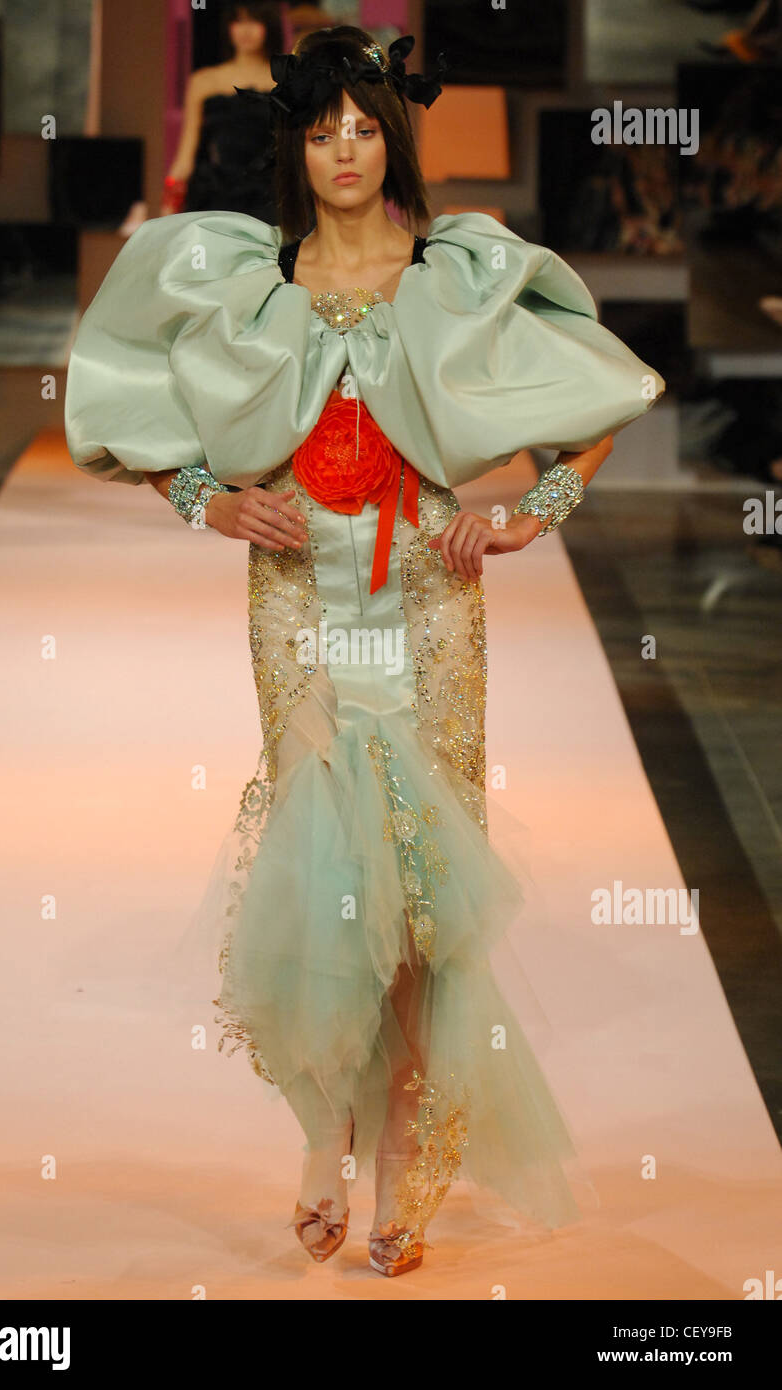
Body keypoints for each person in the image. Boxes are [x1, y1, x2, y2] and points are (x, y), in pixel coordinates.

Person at [64, 26, 666, 1277]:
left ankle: (400, 1155)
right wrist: (212, 502)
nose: (345, 149)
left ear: (394, 137)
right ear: (296, 140)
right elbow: (127, 410)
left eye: (365, 125)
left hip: (430, 598)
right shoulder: (244, 274)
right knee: (313, 870)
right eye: (324, 127)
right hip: (292, 594)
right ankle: (319, 1135)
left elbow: (600, 400)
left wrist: (521, 519)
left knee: (418, 893)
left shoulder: (458, 271)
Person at [162, 3, 284, 221]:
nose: (245, 30)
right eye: (238, 21)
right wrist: (168, 209)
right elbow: (185, 157)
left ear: (269, 26)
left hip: (270, 199)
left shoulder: (285, 81)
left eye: (254, 21)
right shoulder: (204, 81)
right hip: (215, 197)